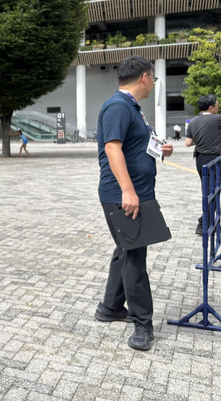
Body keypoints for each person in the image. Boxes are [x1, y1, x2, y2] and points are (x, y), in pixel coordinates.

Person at [94, 55, 173, 351]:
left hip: (134, 193)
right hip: (123, 196)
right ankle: (143, 324)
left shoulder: (132, 107)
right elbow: (112, 147)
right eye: (152, 77)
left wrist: (160, 149)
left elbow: (132, 145)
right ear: (144, 77)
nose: (153, 83)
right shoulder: (118, 106)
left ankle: (110, 307)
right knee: (135, 258)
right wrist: (128, 191)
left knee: (126, 249)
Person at [185, 94, 221, 235]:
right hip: (216, 160)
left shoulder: (193, 121)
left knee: (209, 191)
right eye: (217, 105)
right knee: (213, 192)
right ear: (211, 107)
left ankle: (207, 221)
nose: (218, 107)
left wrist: (201, 138)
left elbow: (188, 142)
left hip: (201, 160)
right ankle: (204, 223)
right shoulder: (218, 119)